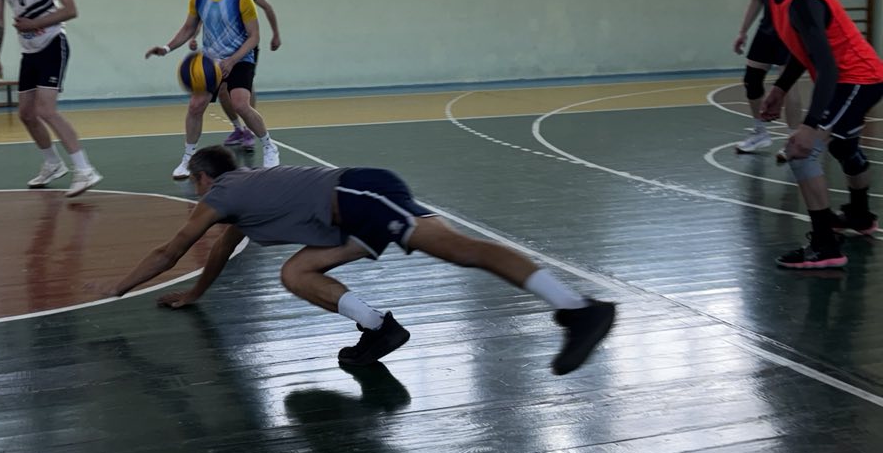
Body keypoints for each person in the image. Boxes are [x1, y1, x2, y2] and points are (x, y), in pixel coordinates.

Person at [111, 146, 616, 373]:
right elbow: (221, 248)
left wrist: (115, 288)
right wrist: (195, 294)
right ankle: (379, 329)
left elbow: (172, 250)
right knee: (296, 272)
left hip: (358, 195)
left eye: (195, 185)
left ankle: (577, 308)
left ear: (204, 178)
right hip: (352, 210)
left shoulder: (224, 192)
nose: (197, 195)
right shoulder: (242, 195)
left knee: (462, 251)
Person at [754, 0, 883, 269]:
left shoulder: (804, 2)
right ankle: (860, 216)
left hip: (857, 79)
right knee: (843, 147)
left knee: (801, 150)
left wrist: (810, 126)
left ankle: (826, 245)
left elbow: (827, 68)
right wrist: (780, 88)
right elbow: (803, 52)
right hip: (854, 78)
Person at [0, 0, 101, 196]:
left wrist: (35, 23)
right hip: (29, 50)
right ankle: (52, 164)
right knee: (26, 114)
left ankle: (85, 169)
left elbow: (71, 10)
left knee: (46, 110)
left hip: (52, 44)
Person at [146, 0, 279, 179]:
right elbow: (188, 28)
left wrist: (232, 60)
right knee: (195, 106)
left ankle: (269, 146)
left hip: (240, 58)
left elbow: (254, 37)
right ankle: (188, 158)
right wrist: (166, 48)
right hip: (211, 62)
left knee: (240, 104)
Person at [734, 0, 802, 154]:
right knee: (751, 80)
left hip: (788, 28)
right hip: (766, 29)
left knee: (788, 83)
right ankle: (760, 132)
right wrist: (743, 31)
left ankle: (794, 140)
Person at [188, 0, 281, 151]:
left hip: (243, 47)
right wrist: (193, 36)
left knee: (243, 90)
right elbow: (201, 17)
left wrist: (276, 34)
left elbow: (267, 7)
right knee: (223, 90)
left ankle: (249, 130)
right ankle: (238, 128)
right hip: (219, 51)